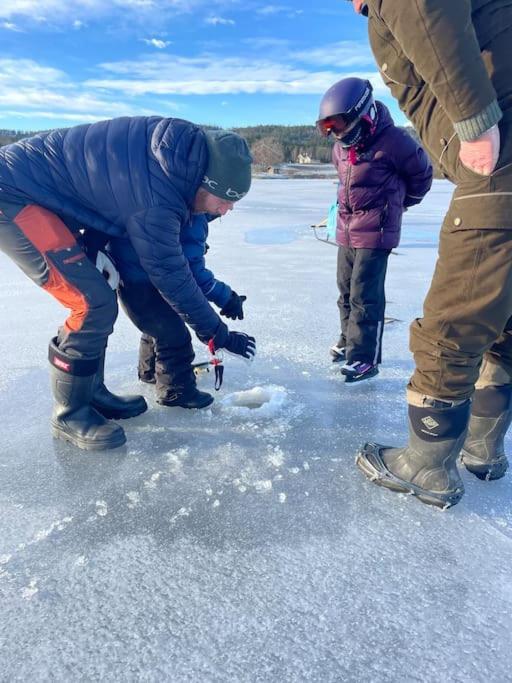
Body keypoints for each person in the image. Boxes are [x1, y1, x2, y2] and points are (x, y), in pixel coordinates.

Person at [0, 117, 256, 451]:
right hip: (12, 196)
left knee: (102, 292)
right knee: (90, 303)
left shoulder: (178, 162)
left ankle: (91, 393)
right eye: (223, 200)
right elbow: (172, 275)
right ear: (202, 184)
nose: (228, 209)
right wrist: (217, 334)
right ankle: (70, 413)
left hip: (43, 195)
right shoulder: (159, 196)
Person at [347, 0, 512, 508]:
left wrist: (474, 119)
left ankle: (427, 463)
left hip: (500, 158)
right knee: (502, 315)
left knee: (454, 321)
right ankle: (483, 447)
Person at [317, 77, 432, 382]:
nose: (335, 133)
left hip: (376, 231)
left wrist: (399, 204)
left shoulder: (395, 142)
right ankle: (347, 340)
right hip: (346, 229)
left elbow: (422, 176)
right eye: (329, 127)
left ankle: (364, 358)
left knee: (365, 295)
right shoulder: (340, 149)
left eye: (339, 125)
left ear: (362, 115)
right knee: (345, 290)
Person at [107, 212, 247, 408]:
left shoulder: (175, 204)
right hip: (145, 282)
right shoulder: (192, 217)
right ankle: (175, 391)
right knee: (174, 336)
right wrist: (226, 297)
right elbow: (191, 275)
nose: (229, 209)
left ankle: (150, 372)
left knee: (157, 327)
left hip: (131, 278)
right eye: (226, 201)